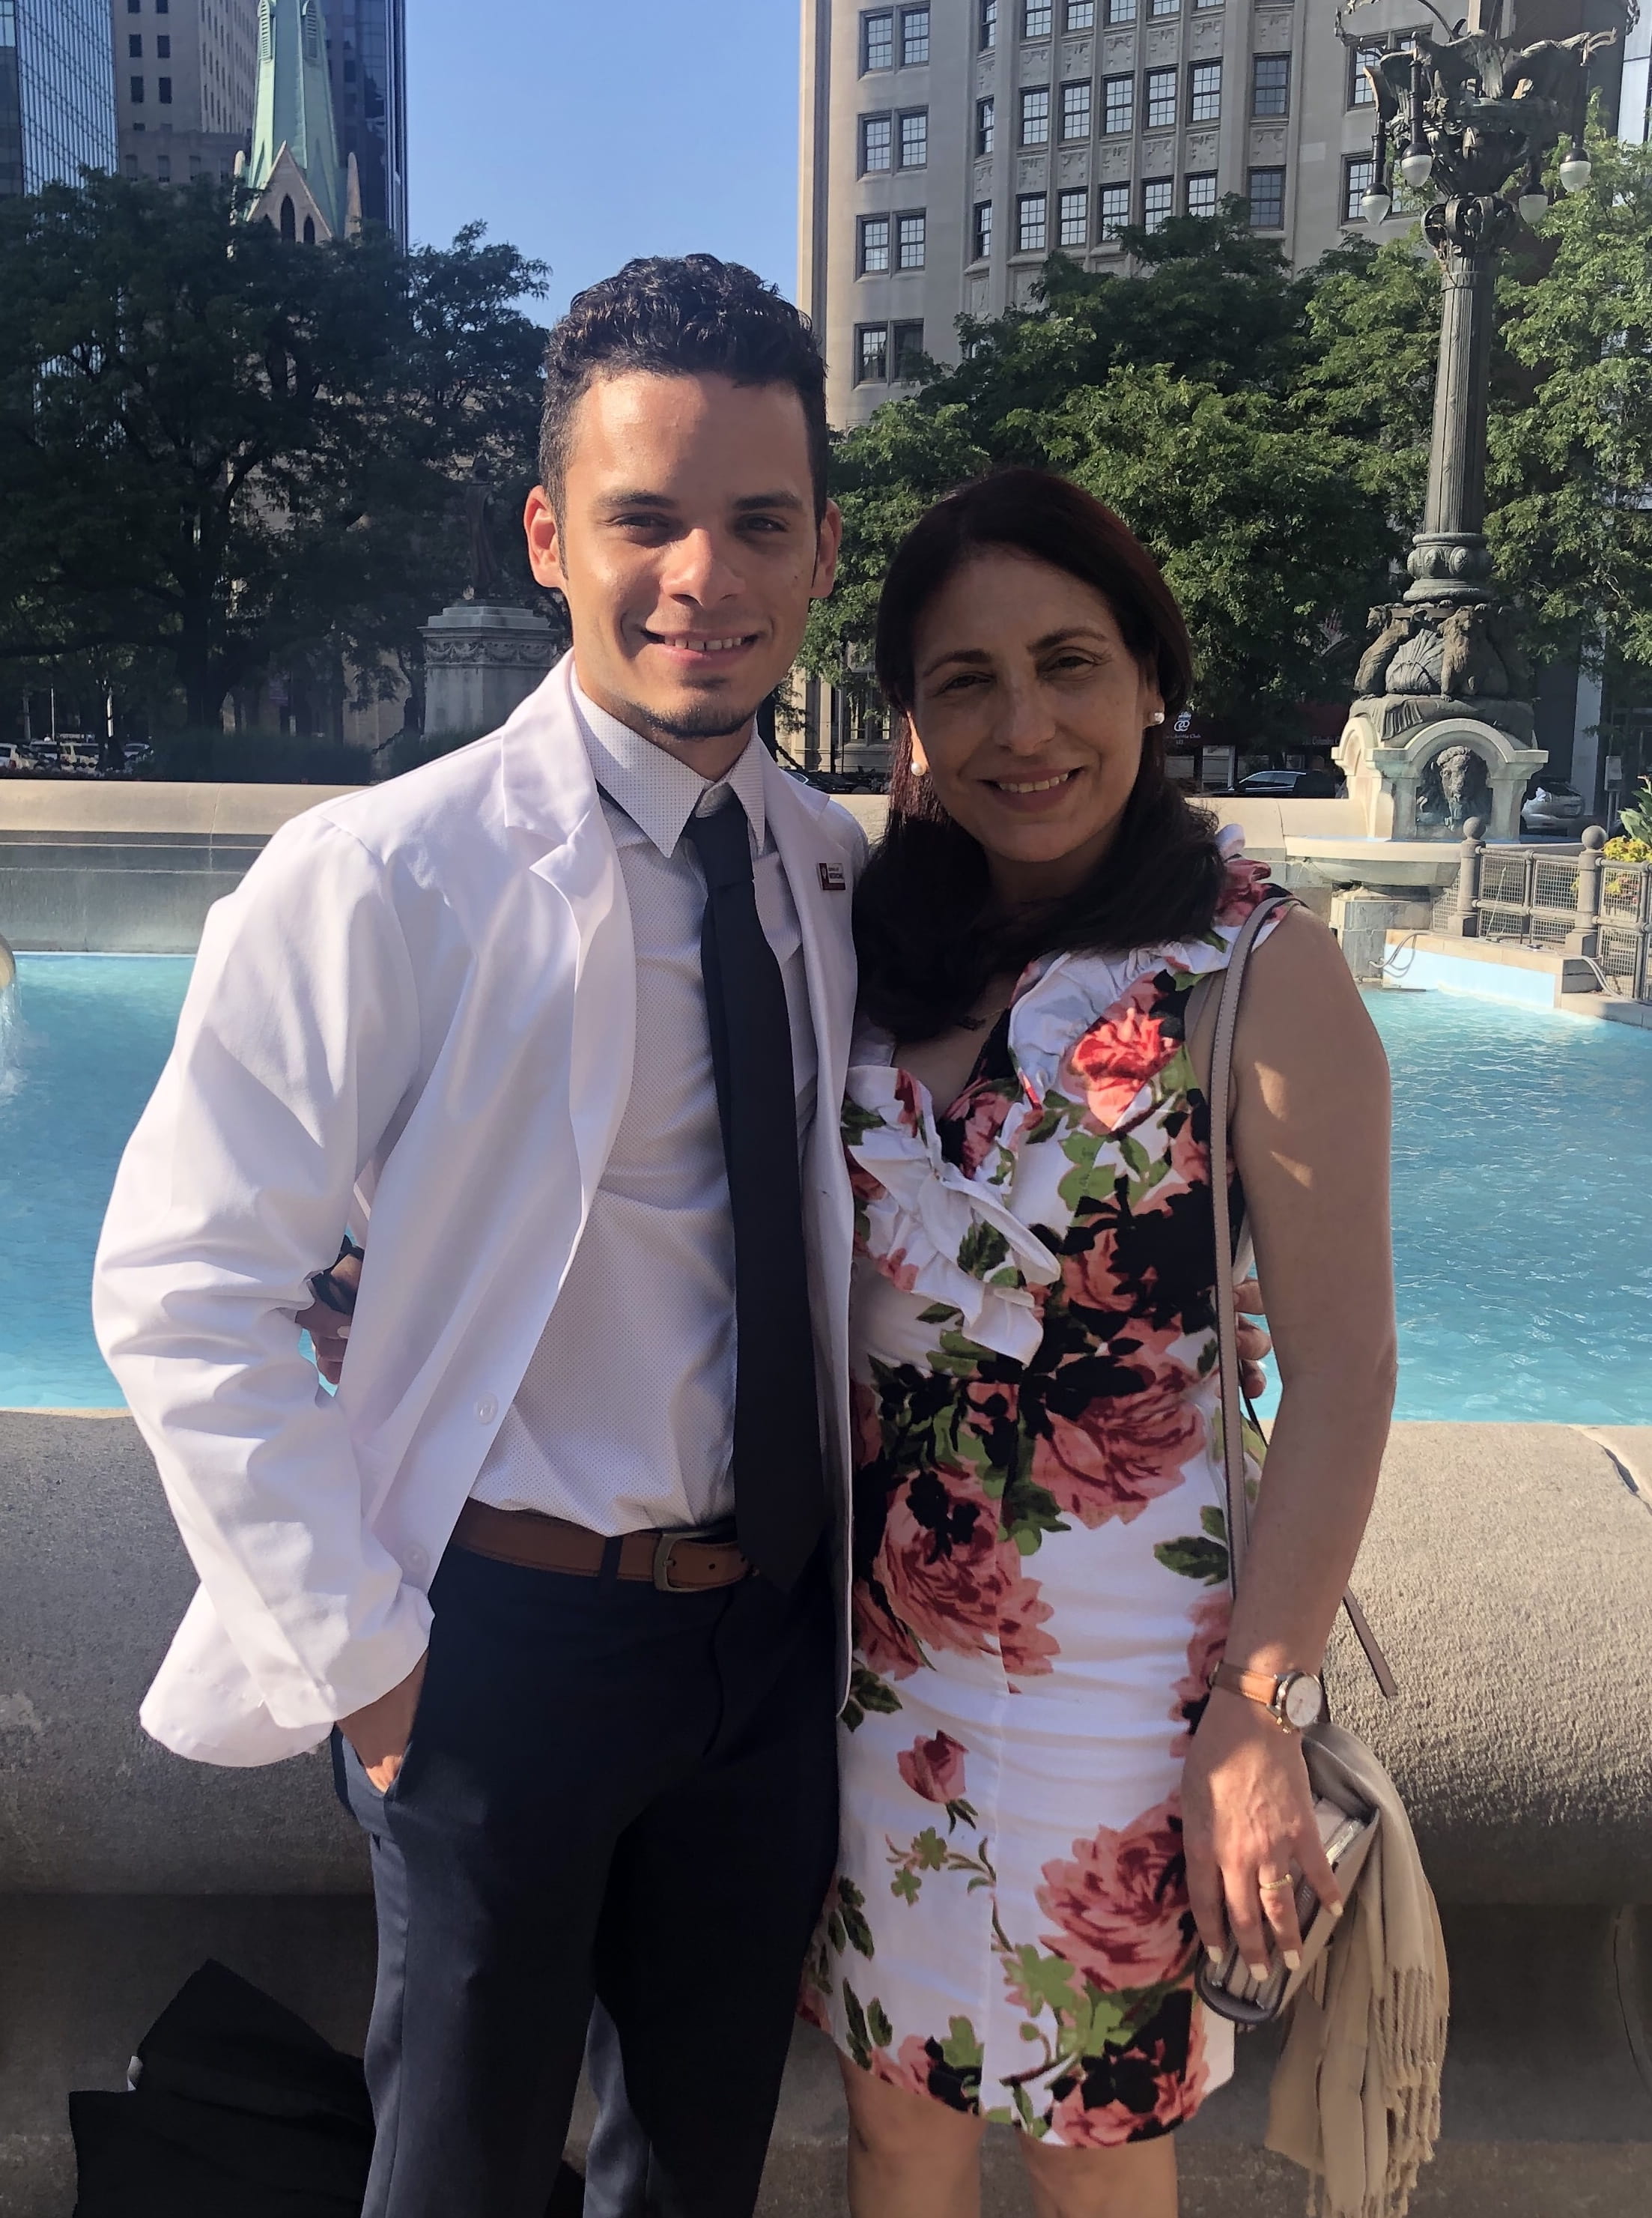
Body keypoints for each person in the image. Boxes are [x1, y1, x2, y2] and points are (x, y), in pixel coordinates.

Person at [93, 254, 860, 2218]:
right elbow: (181, 1283)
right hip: (499, 1645)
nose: (703, 573)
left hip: (768, 1645)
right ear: (546, 536)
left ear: (821, 551)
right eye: (644, 518)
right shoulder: (375, 875)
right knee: (453, 2178)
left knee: (697, 2182)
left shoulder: (834, 874)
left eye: (756, 521)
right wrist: (370, 1664)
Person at [799, 470, 1395, 2218]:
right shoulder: (862, 944)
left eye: (1068, 662)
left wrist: (1253, 1711)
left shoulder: (1254, 966)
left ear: (1149, 674)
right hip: (877, 1677)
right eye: (962, 681)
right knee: (892, 2126)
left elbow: (1347, 1370)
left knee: (1098, 2155)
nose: (1023, 725)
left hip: (1136, 1706)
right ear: (908, 721)